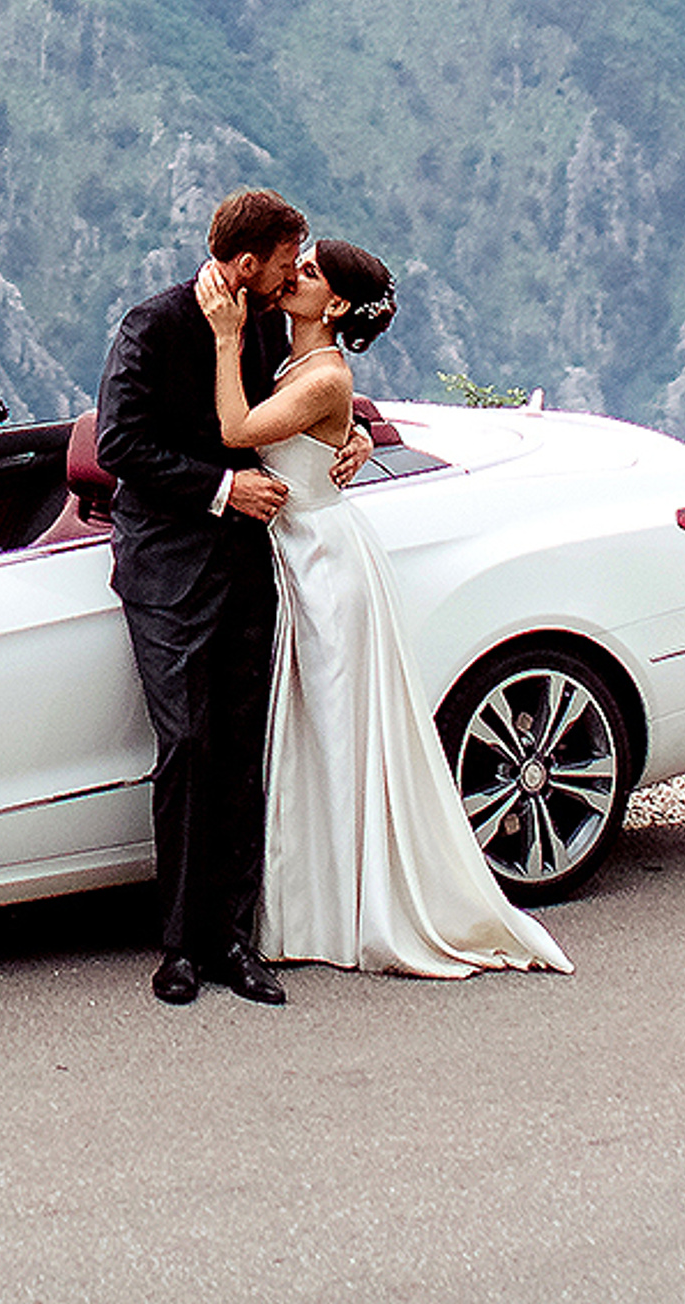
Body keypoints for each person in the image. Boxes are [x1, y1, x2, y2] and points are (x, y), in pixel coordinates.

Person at [198, 236, 570, 980]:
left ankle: (351, 909)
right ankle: (313, 906)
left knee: (337, 732)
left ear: (332, 304)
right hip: (300, 551)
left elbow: (238, 432)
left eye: (304, 274)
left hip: (326, 563)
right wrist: (358, 435)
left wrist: (225, 339)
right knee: (309, 735)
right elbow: (330, 419)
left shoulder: (322, 372)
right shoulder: (303, 361)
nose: (288, 277)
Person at [93, 185, 370, 1007]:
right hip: (168, 565)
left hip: (254, 566)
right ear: (246, 264)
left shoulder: (260, 331)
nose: (293, 278)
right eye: (286, 264)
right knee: (185, 746)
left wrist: (351, 434)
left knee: (245, 748)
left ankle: (232, 940)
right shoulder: (153, 325)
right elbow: (119, 445)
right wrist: (222, 490)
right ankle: (177, 947)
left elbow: (310, 396)